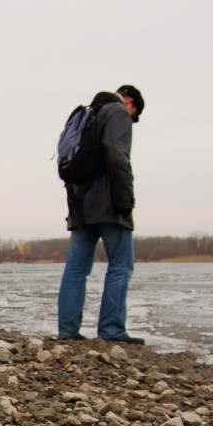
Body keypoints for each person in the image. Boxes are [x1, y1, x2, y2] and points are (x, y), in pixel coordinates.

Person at [56, 85, 145, 343]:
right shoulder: (116, 113)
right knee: (120, 266)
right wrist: (126, 199)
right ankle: (112, 331)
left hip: (80, 204)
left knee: (75, 269)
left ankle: (67, 330)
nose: (131, 119)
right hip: (109, 204)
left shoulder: (88, 115)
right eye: (134, 113)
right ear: (129, 101)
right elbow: (118, 156)